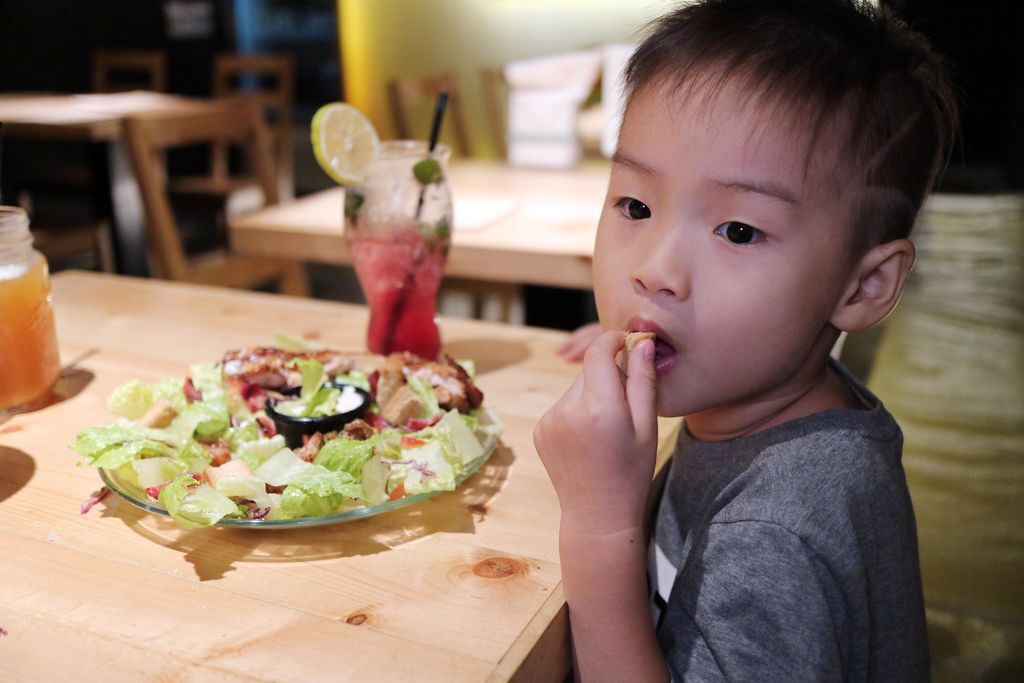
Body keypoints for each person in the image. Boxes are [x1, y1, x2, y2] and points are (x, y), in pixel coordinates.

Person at [533, 0, 958, 680]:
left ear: (864, 286)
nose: (655, 270)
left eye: (738, 231)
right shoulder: (776, 397)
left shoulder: (776, 532)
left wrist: (597, 526)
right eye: (635, 206)